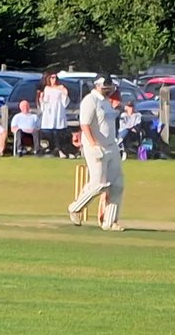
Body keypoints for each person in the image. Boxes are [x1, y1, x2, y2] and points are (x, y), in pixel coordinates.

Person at [68, 75, 125, 231]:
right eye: (106, 86)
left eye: (110, 86)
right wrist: (93, 144)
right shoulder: (90, 100)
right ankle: (74, 208)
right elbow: (84, 124)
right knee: (99, 185)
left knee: (117, 185)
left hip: (111, 146)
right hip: (95, 147)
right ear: (98, 85)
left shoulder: (106, 102)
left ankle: (110, 222)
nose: (109, 89)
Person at [38, 72, 70, 157]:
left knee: (59, 129)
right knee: (49, 129)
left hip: (59, 109)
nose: (54, 79)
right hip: (50, 110)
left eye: (55, 78)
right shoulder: (47, 88)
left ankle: (61, 150)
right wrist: (41, 99)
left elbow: (65, 99)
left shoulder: (61, 87)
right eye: (52, 78)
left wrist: (65, 93)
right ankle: (49, 149)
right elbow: (45, 101)